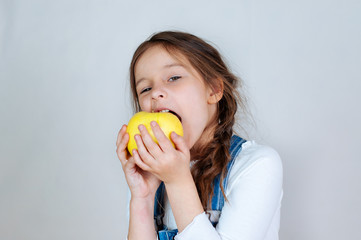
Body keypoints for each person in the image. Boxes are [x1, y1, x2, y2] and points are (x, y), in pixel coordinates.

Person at [116, 31, 283, 240]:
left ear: (213, 90)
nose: (155, 93)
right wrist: (143, 198)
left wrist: (177, 181)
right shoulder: (154, 177)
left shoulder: (257, 165)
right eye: (145, 88)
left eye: (174, 78)